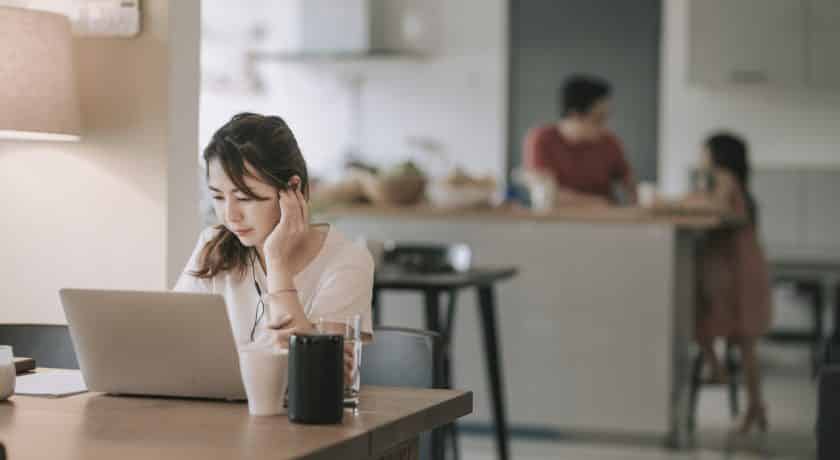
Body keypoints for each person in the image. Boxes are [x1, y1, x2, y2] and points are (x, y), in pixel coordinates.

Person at [174, 113, 374, 353]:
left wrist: (276, 259)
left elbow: (320, 371)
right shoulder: (212, 245)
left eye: (244, 197)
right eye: (218, 197)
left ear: (292, 189)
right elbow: (175, 338)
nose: (230, 215)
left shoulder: (348, 261)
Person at [681, 132, 772, 435]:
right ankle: (754, 405)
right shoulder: (736, 182)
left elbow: (715, 209)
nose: (700, 156)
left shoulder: (722, 177)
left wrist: (685, 203)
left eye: (703, 151)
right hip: (742, 263)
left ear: (716, 155)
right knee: (746, 343)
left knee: (704, 320)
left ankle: (720, 373)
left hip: (732, 267)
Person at [523, 74, 637, 206]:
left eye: (606, 117)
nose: (604, 125)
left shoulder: (609, 142)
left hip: (606, 222)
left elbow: (631, 185)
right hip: (559, 221)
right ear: (574, 114)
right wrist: (598, 203)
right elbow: (546, 196)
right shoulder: (541, 139)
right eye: (598, 118)